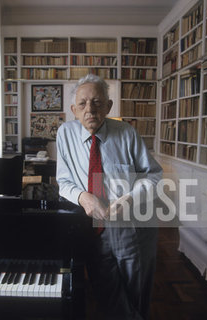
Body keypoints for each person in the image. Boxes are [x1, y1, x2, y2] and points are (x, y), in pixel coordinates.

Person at [56, 74, 163, 319]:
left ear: (108, 106)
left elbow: (154, 176)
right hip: (90, 226)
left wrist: (130, 198)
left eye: (97, 102)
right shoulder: (65, 134)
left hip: (129, 226)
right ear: (74, 109)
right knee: (104, 291)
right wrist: (83, 196)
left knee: (134, 292)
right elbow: (63, 181)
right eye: (82, 104)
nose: (90, 110)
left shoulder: (126, 133)